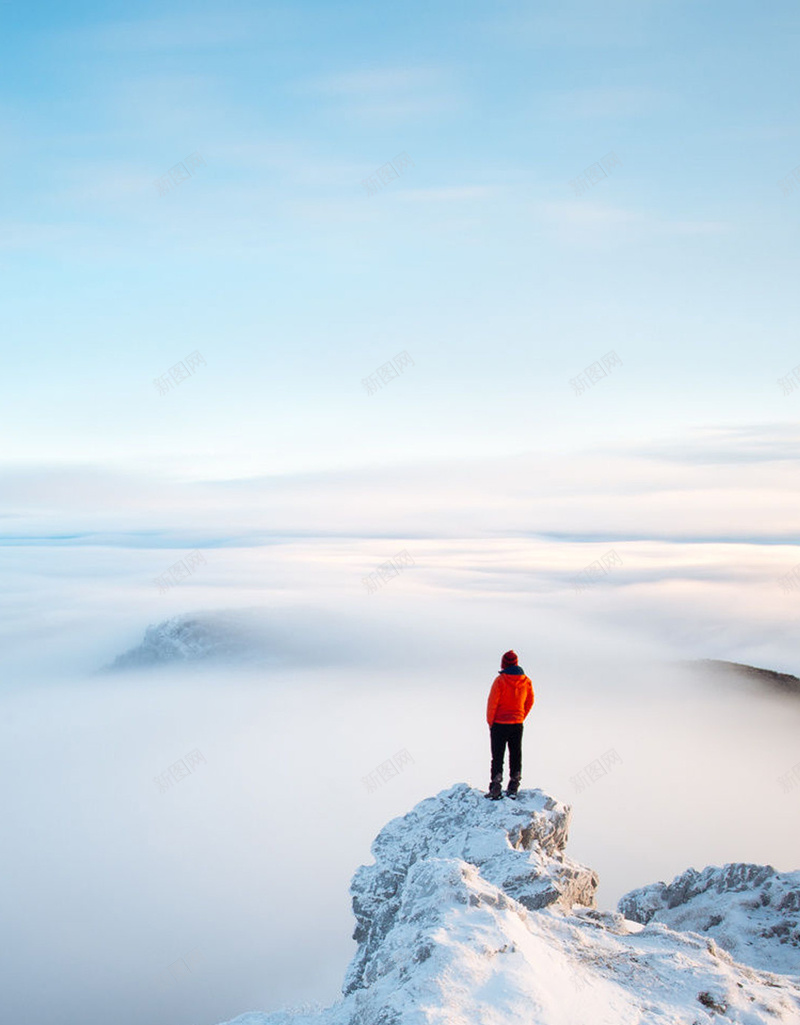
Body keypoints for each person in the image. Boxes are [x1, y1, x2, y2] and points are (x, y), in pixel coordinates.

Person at [484, 650, 534, 800]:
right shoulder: (526, 681)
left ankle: (496, 787)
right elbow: (530, 701)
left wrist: (490, 722)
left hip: (499, 723)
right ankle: (514, 785)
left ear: (504, 664)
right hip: (517, 723)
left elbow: (492, 703)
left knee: (498, 756)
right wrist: (520, 716)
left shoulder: (500, 681)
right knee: (516, 753)